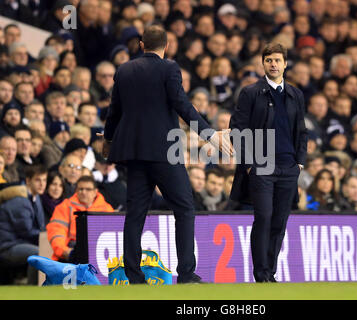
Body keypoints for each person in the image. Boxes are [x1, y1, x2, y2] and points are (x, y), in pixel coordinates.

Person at [101, 25, 232, 284]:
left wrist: (108, 139)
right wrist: (210, 133)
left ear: (140, 44)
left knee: (136, 212)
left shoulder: (124, 70)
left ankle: (134, 276)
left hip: (134, 153)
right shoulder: (169, 68)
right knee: (184, 207)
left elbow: (114, 111)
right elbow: (181, 104)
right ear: (167, 45)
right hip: (163, 151)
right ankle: (185, 273)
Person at [229, 43, 307, 282]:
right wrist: (250, 163)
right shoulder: (251, 93)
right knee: (263, 216)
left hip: (288, 168)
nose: (273, 64)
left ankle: (270, 273)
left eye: (277, 60)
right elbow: (236, 129)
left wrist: (300, 163)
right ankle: (261, 273)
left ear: (285, 64)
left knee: (279, 221)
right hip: (261, 166)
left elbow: (302, 132)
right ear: (263, 64)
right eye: (269, 60)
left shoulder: (296, 94)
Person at [47, 175, 114, 262]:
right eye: (80, 189)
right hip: (71, 253)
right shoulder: (65, 207)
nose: (83, 192)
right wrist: (66, 252)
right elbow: (56, 233)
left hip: (101, 254)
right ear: (76, 191)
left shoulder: (107, 209)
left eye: (88, 189)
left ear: (95, 192)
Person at [0, 164, 48, 284]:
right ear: (28, 180)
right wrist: (49, 237)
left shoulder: (35, 198)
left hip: (19, 243)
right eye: (38, 180)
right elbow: (27, 232)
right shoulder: (20, 200)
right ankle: (33, 289)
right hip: (6, 246)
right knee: (38, 253)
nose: (42, 184)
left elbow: (40, 228)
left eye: (44, 180)